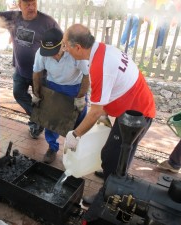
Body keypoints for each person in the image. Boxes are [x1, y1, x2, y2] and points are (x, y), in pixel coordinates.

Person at [62, 24, 156, 212]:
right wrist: (104, 115)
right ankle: (110, 178)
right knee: (113, 155)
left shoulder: (100, 66)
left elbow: (95, 110)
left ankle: (108, 197)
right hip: (130, 108)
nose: (64, 49)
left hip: (137, 115)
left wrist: (75, 134)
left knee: (113, 158)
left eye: (66, 45)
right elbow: (108, 93)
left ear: (78, 47)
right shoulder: (102, 50)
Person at [0, 0, 60, 139]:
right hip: (20, 70)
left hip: (40, 73)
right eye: (27, 5)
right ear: (20, 5)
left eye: (34, 4)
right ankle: (38, 119)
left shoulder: (47, 22)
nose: (32, 8)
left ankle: (36, 125)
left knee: (41, 101)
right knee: (18, 94)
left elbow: (61, 41)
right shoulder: (13, 17)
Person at [32, 27, 89, 164]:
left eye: (55, 52)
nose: (52, 56)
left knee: (79, 121)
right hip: (53, 86)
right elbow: (37, 73)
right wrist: (36, 93)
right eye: (49, 52)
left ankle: (75, 149)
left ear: (63, 44)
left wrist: (81, 97)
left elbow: (87, 75)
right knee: (51, 121)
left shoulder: (75, 52)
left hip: (74, 88)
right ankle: (52, 147)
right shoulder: (41, 53)